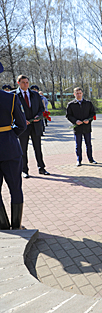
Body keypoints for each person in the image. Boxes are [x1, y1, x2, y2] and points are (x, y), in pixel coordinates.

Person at [0, 62, 27, 230]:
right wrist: (10, 136)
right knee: (15, 188)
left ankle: (2, 225)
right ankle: (16, 225)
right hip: (10, 148)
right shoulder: (10, 97)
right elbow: (22, 125)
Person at [15, 75, 49, 178]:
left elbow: (41, 108)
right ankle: (24, 170)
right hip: (22, 127)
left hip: (35, 125)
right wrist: (21, 121)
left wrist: (38, 116)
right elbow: (11, 112)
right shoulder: (14, 95)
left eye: (27, 82)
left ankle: (41, 168)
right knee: (23, 149)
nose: (26, 84)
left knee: (38, 148)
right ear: (18, 83)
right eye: (23, 82)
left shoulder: (35, 94)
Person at [66, 87, 97, 167]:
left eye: (80, 93)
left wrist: (89, 120)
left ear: (82, 93)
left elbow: (93, 113)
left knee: (88, 144)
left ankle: (91, 159)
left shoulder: (88, 103)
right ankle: (79, 160)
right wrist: (75, 121)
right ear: (74, 94)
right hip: (77, 128)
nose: (78, 95)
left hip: (87, 127)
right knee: (78, 145)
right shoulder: (71, 104)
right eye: (77, 93)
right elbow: (68, 115)